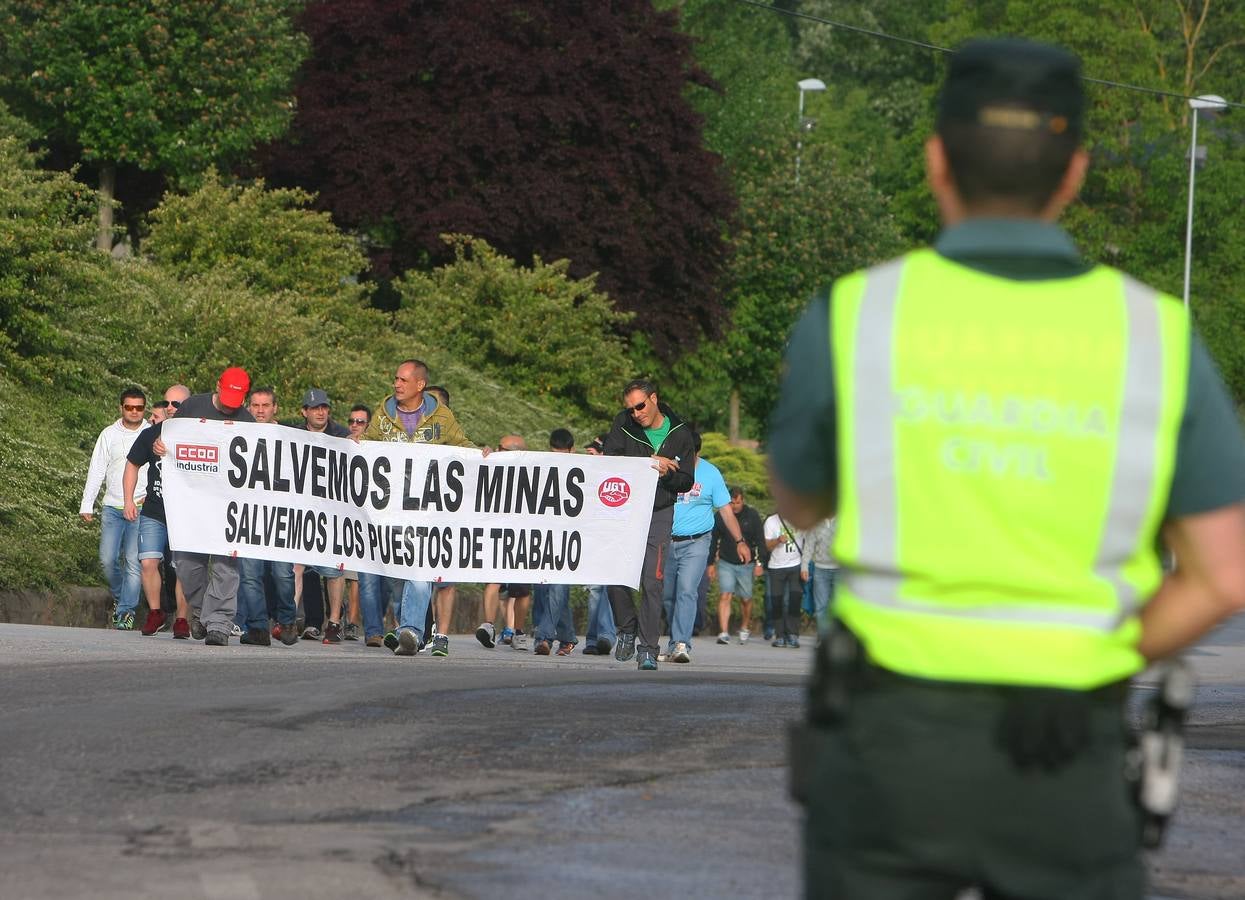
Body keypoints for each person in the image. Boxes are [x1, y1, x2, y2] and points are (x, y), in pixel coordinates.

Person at [769, 38, 1245, 899]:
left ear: (935, 160)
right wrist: (1099, 653)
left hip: (887, 741)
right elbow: (1221, 575)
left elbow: (798, 503)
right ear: (1073, 174)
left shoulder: (856, 313)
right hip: (1065, 746)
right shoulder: (1155, 337)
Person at [361, 359, 480, 657]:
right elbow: (366, 445)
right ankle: (407, 626)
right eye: (395, 379)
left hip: (428, 511)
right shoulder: (384, 413)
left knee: (419, 569)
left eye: (402, 380)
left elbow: (462, 445)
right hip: (390, 510)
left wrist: (483, 454)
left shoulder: (441, 415)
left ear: (420, 385)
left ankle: (411, 630)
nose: (396, 384)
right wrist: (353, 442)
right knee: (397, 577)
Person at [155, 367, 256, 646]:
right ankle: (201, 612)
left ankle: (220, 625)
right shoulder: (192, 406)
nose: (229, 406)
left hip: (227, 507)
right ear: (217, 386)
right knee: (187, 566)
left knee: (226, 566)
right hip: (192, 505)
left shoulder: (247, 420)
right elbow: (168, 438)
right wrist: (161, 447)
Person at [603, 379, 696, 671]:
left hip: (659, 511)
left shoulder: (681, 433)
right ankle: (627, 628)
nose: (635, 413)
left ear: (654, 399)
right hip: (625, 509)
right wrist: (651, 461)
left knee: (652, 582)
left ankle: (648, 649)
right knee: (613, 573)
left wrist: (668, 473)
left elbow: (686, 480)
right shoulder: (623, 424)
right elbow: (611, 458)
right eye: (630, 409)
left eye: (640, 406)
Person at [661, 432, 749, 664]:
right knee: (668, 596)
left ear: (696, 451)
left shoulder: (711, 474)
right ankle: (673, 643)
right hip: (667, 542)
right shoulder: (669, 467)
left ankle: (681, 643)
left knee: (687, 591)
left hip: (697, 542)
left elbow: (726, 511)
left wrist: (740, 541)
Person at [124, 383, 192, 638]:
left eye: (177, 404)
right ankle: (155, 612)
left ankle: (182, 619)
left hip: (186, 513)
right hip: (155, 508)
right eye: (167, 403)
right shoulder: (153, 434)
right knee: (148, 562)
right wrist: (129, 500)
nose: (170, 408)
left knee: (182, 568)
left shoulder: (199, 434)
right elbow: (132, 465)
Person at [80, 386, 150, 629]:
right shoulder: (108, 434)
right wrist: (87, 503)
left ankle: (126, 611)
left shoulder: (152, 434)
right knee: (106, 560)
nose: (134, 411)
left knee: (133, 560)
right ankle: (123, 597)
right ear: (121, 408)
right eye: (129, 407)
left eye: (139, 407)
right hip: (112, 506)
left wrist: (150, 498)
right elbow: (97, 469)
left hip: (141, 507)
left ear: (144, 409)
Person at [233, 386, 299, 646]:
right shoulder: (238, 435)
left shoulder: (292, 436)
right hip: (250, 515)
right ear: (249, 407)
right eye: (255, 405)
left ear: (275, 408)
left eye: (265, 405)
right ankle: (258, 627)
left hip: (281, 515)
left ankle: (287, 621)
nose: (260, 410)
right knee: (250, 575)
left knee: (283, 574)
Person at [293, 388, 350, 642]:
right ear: (304, 411)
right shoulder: (291, 433)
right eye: (314, 408)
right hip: (301, 510)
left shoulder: (341, 436)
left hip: (332, 513)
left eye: (324, 407)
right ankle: (288, 619)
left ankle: (335, 622)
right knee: (296, 566)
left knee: (333, 570)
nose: (320, 412)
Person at [533, 428, 579, 656]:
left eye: (563, 453)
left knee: (558, 588)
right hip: (543, 539)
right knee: (543, 591)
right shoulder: (542, 469)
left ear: (573, 450)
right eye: (554, 453)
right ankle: (568, 637)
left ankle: (544, 637)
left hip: (568, 541)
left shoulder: (583, 471)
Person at [709, 486, 765, 645]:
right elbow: (713, 540)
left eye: (738, 503)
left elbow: (760, 540)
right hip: (726, 561)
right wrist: (710, 563)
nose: (734, 506)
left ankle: (745, 626)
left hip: (747, 564)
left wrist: (760, 563)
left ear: (743, 500)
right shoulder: (722, 515)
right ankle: (724, 632)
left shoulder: (752, 515)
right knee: (725, 594)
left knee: (746, 598)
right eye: (732, 503)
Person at [763, 513, 804, 649]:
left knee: (793, 600)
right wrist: (778, 540)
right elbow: (767, 545)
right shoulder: (771, 521)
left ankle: (792, 634)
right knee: (777, 601)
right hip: (776, 566)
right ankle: (780, 635)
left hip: (796, 565)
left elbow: (808, 540)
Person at [800, 517, 837, 631]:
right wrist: (804, 566)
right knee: (821, 607)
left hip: (841, 570)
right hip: (820, 569)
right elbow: (809, 546)